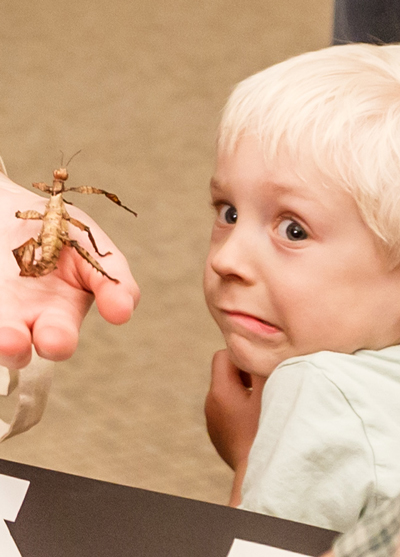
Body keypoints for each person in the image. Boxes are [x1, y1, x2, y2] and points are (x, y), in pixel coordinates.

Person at [203, 42, 400, 534]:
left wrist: (249, 459)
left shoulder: (319, 395)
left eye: (294, 230)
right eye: (228, 213)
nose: (226, 260)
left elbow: (255, 549)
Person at [0, 164, 140, 438]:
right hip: (46, 240)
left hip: (53, 240)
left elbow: (91, 209)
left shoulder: (57, 205)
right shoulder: (55, 204)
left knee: (77, 242)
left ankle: (99, 264)